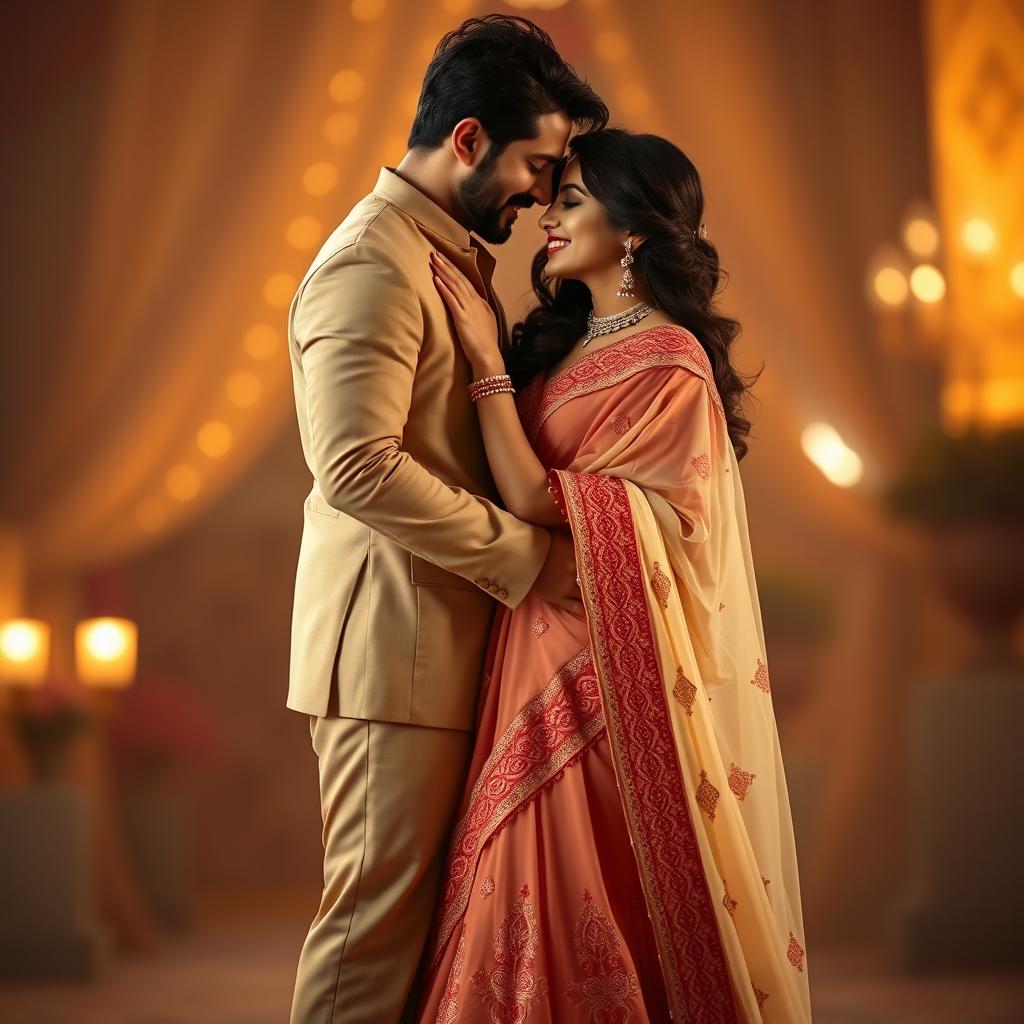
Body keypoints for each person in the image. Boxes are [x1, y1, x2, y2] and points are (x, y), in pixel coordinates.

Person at [413, 129, 813, 1022]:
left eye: (573, 199)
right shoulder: (565, 349)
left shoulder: (670, 361)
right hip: (529, 646)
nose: (548, 218)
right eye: (551, 198)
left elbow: (533, 493)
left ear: (633, 230)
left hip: (599, 678)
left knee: (566, 886)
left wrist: (485, 366)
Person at [285, 14, 607, 1024]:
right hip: (393, 656)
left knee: (419, 943)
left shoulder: (445, 252)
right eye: (537, 164)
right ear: (466, 140)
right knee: (371, 939)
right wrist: (525, 557)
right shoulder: (371, 261)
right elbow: (356, 465)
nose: (545, 193)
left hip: (440, 650)